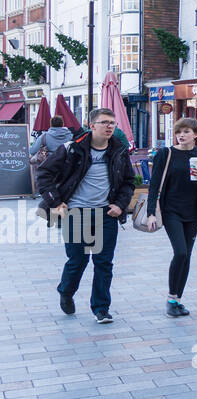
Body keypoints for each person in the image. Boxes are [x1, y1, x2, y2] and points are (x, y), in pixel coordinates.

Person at [36, 108, 135, 323]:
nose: (109, 126)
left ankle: (101, 308)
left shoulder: (119, 151)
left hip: (106, 214)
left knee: (104, 263)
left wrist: (120, 204)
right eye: (104, 122)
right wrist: (56, 202)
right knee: (78, 260)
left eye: (112, 123)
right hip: (76, 213)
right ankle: (66, 291)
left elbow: (128, 181)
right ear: (92, 125)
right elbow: (44, 173)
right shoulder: (71, 149)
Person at [145, 118, 197, 318]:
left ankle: (177, 300)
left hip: (193, 211)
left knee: (187, 256)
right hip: (171, 210)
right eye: (178, 132)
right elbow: (154, 185)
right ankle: (171, 298)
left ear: (196, 135)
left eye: (186, 132)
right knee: (181, 252)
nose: (181, 135)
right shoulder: (165, 154)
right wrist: (151, 213)